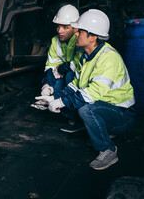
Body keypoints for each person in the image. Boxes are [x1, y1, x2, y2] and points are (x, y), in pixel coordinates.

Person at [36, 9, 135, 170]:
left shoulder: (108, 58)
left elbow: (91, 93)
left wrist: (61, 102)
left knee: (86, 109)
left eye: (80, 31)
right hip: (108, 109)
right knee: (82, 103)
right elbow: (75, 85)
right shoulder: (86, 56)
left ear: (93, 36)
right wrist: (54, 97)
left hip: (123, 115)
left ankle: (108, 150)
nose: (76, 34)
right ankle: (103, 132)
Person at [40, 4, 79, 97]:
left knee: (70, 75)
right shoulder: (55, 41)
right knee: (51, 89)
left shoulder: (80, 41)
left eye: (65, 27)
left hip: (75, 77)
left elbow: (76, 66)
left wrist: (61, 68)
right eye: (58, 26)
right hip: (63, 74)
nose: (59, 31)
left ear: (76, 28)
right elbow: (51, 67)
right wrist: (46, 85)